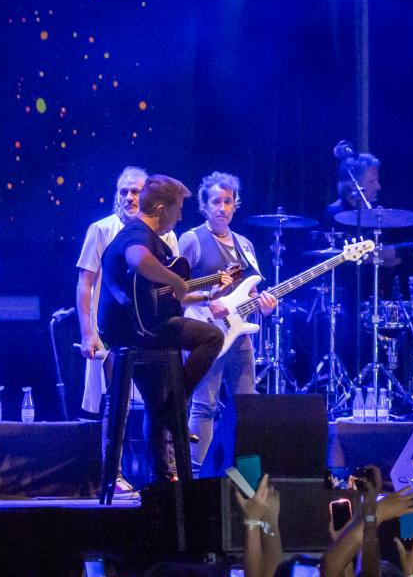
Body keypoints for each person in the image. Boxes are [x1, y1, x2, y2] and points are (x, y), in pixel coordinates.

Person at [96, 175, 224, 485]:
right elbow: (138, 261)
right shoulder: (138, 235)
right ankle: (175, 407)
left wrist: (203, 295)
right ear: (163, 208)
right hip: (134, 331)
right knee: (212, 336)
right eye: (178, 209)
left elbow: (164, 295)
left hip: (139, 326)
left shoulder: (153, 239)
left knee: (156, 398)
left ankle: (163, 477)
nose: (180, 216)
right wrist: (176, 279)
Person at [177, 172, 278, 470]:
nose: (222, 207)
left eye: (228, 201)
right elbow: (176, 290)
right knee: (205, 404)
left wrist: (265, 307)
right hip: (204, 331)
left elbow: (252, 290)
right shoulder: (192, 239)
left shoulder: (245, 244)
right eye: (216, 202)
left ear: (236, 204)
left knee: (247, 403)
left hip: (239, 335)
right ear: (204, 206)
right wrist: (210, 298)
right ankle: (200, 473)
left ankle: (245, 472)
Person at [320, 148, 413, 268]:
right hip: (348, 284)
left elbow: (388, 260)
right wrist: (411, 248)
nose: (378, 186)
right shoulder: (336, 212)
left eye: (377, 180)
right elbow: (361, 255)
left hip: (379, 284)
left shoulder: (376, 213)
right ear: (353, 185)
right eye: (371, 182)